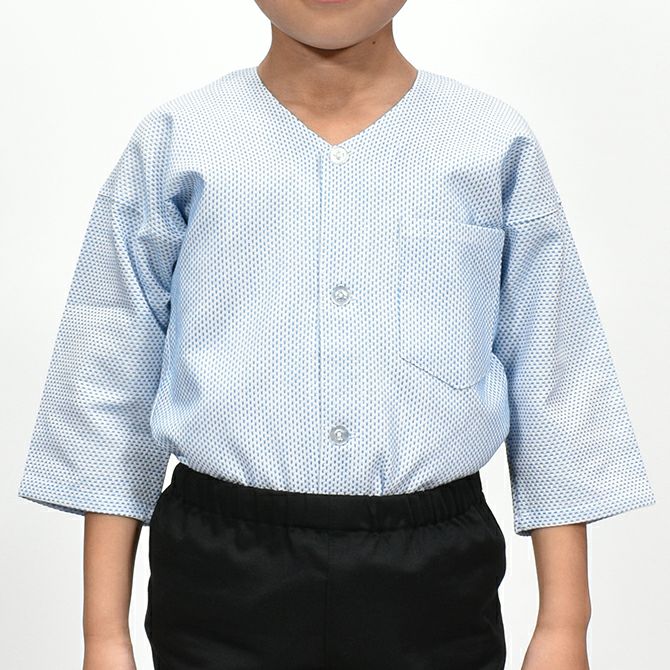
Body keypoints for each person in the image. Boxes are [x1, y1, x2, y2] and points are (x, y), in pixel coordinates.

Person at [17, 1, 656, 669]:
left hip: (433, 576)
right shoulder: (179, 143)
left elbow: (553, 378)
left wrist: (565, 625)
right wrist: (104, 636)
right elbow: (111, 384)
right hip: (221, 571)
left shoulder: (489, 143)